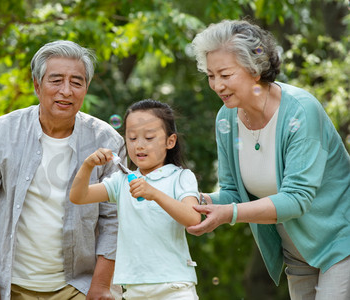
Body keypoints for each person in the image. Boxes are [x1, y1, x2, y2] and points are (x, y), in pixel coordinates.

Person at [187, 19, 350, 300]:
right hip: (297, 252)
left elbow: (297, 198)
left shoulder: (301, 111)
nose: (217, 85)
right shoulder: (226, 116)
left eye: (225, 74)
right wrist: (198, 200)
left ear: (254, 69)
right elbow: (231, 192)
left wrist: (229, 214)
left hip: (340, 241)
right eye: (211, 75)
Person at [0, 40, 126, 300]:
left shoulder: (107, 140)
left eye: (76, 82)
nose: (66, 91)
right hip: (10, 285)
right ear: (37, 86)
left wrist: (102, 285)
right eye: (56, 80)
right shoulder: (0, 133)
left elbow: (114, 218)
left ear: (86, 88)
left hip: (79, 286)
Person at [70, 99, 201, 300]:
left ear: (170, 141)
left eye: (149, 137)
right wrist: (88, 165)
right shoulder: (122, 180)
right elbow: (78, 196)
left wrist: (154, 193)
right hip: (133, 290)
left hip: (174, 287)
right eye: (132, 138)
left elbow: (193, 218)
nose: (139, 145)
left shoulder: (181, 177)